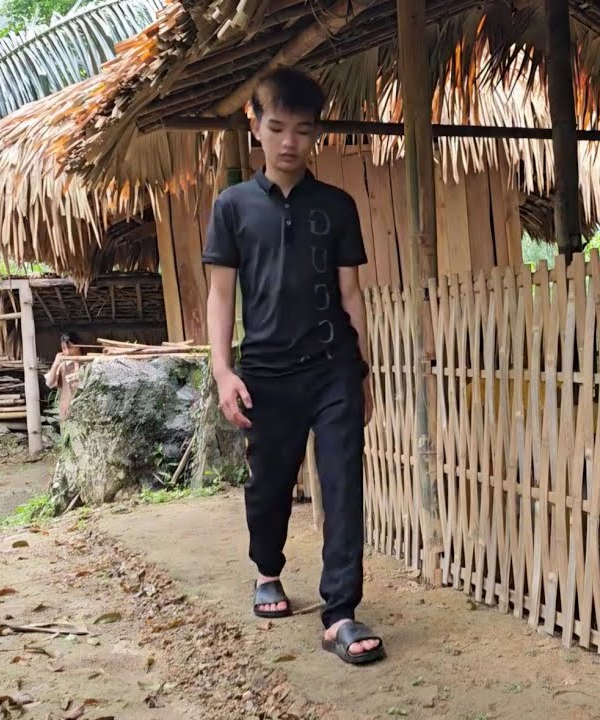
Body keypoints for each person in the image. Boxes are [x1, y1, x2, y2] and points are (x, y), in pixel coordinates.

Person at [202, 66, 383, 666]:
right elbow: (221, 295)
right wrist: (223, 371)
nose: (289, 142)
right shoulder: (232, 207)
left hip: (333, 367)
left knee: (344, 482)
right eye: (277, 127)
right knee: (270, 484)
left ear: (316, 134)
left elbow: (351, 293)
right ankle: (267, 569)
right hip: (266, 373)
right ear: (254, 124)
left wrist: (363, 370)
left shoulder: (336, 206)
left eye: (302, 131)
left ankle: (341, 613)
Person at [44, 332, 85, 422]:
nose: (67, 352)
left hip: (85, 411)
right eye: (64, 349)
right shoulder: (62, 366)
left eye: (69, 347)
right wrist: (55, 364)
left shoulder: (87, 364)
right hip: (67, 411)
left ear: (78, 346)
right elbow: (49, 383)